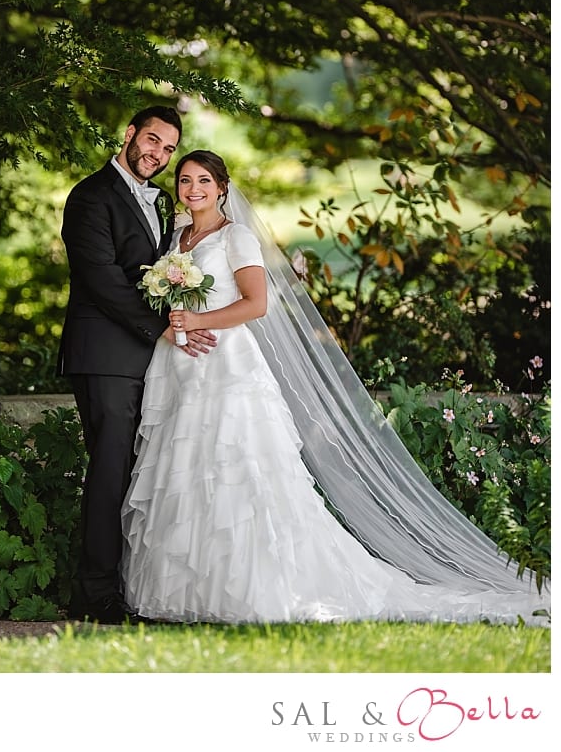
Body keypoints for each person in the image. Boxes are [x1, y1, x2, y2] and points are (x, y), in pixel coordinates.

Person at [120, 151, 548, 625]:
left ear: (222, 188)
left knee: (235, 469)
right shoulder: (176, 238)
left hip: (227, 367)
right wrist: (176, 323)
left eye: (203, 180)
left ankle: (256, 588)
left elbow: (256, 304)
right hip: (180, 366)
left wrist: (198, 319)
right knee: (183, 469)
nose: (192, 188)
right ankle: (189, 588)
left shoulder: (235, 237)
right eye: (184, 180)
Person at [57, 105, 216, 623]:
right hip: (104, 354)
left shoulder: (162, 203)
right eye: (152, 141)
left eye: (168, 149)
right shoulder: (90, 197)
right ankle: (96, 594)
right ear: (129, 135)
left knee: (137, 471)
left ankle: (128, 584)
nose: (158, 154)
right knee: (110, 469)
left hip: (147, 358)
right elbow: (102, 281)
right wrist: (165, 329)